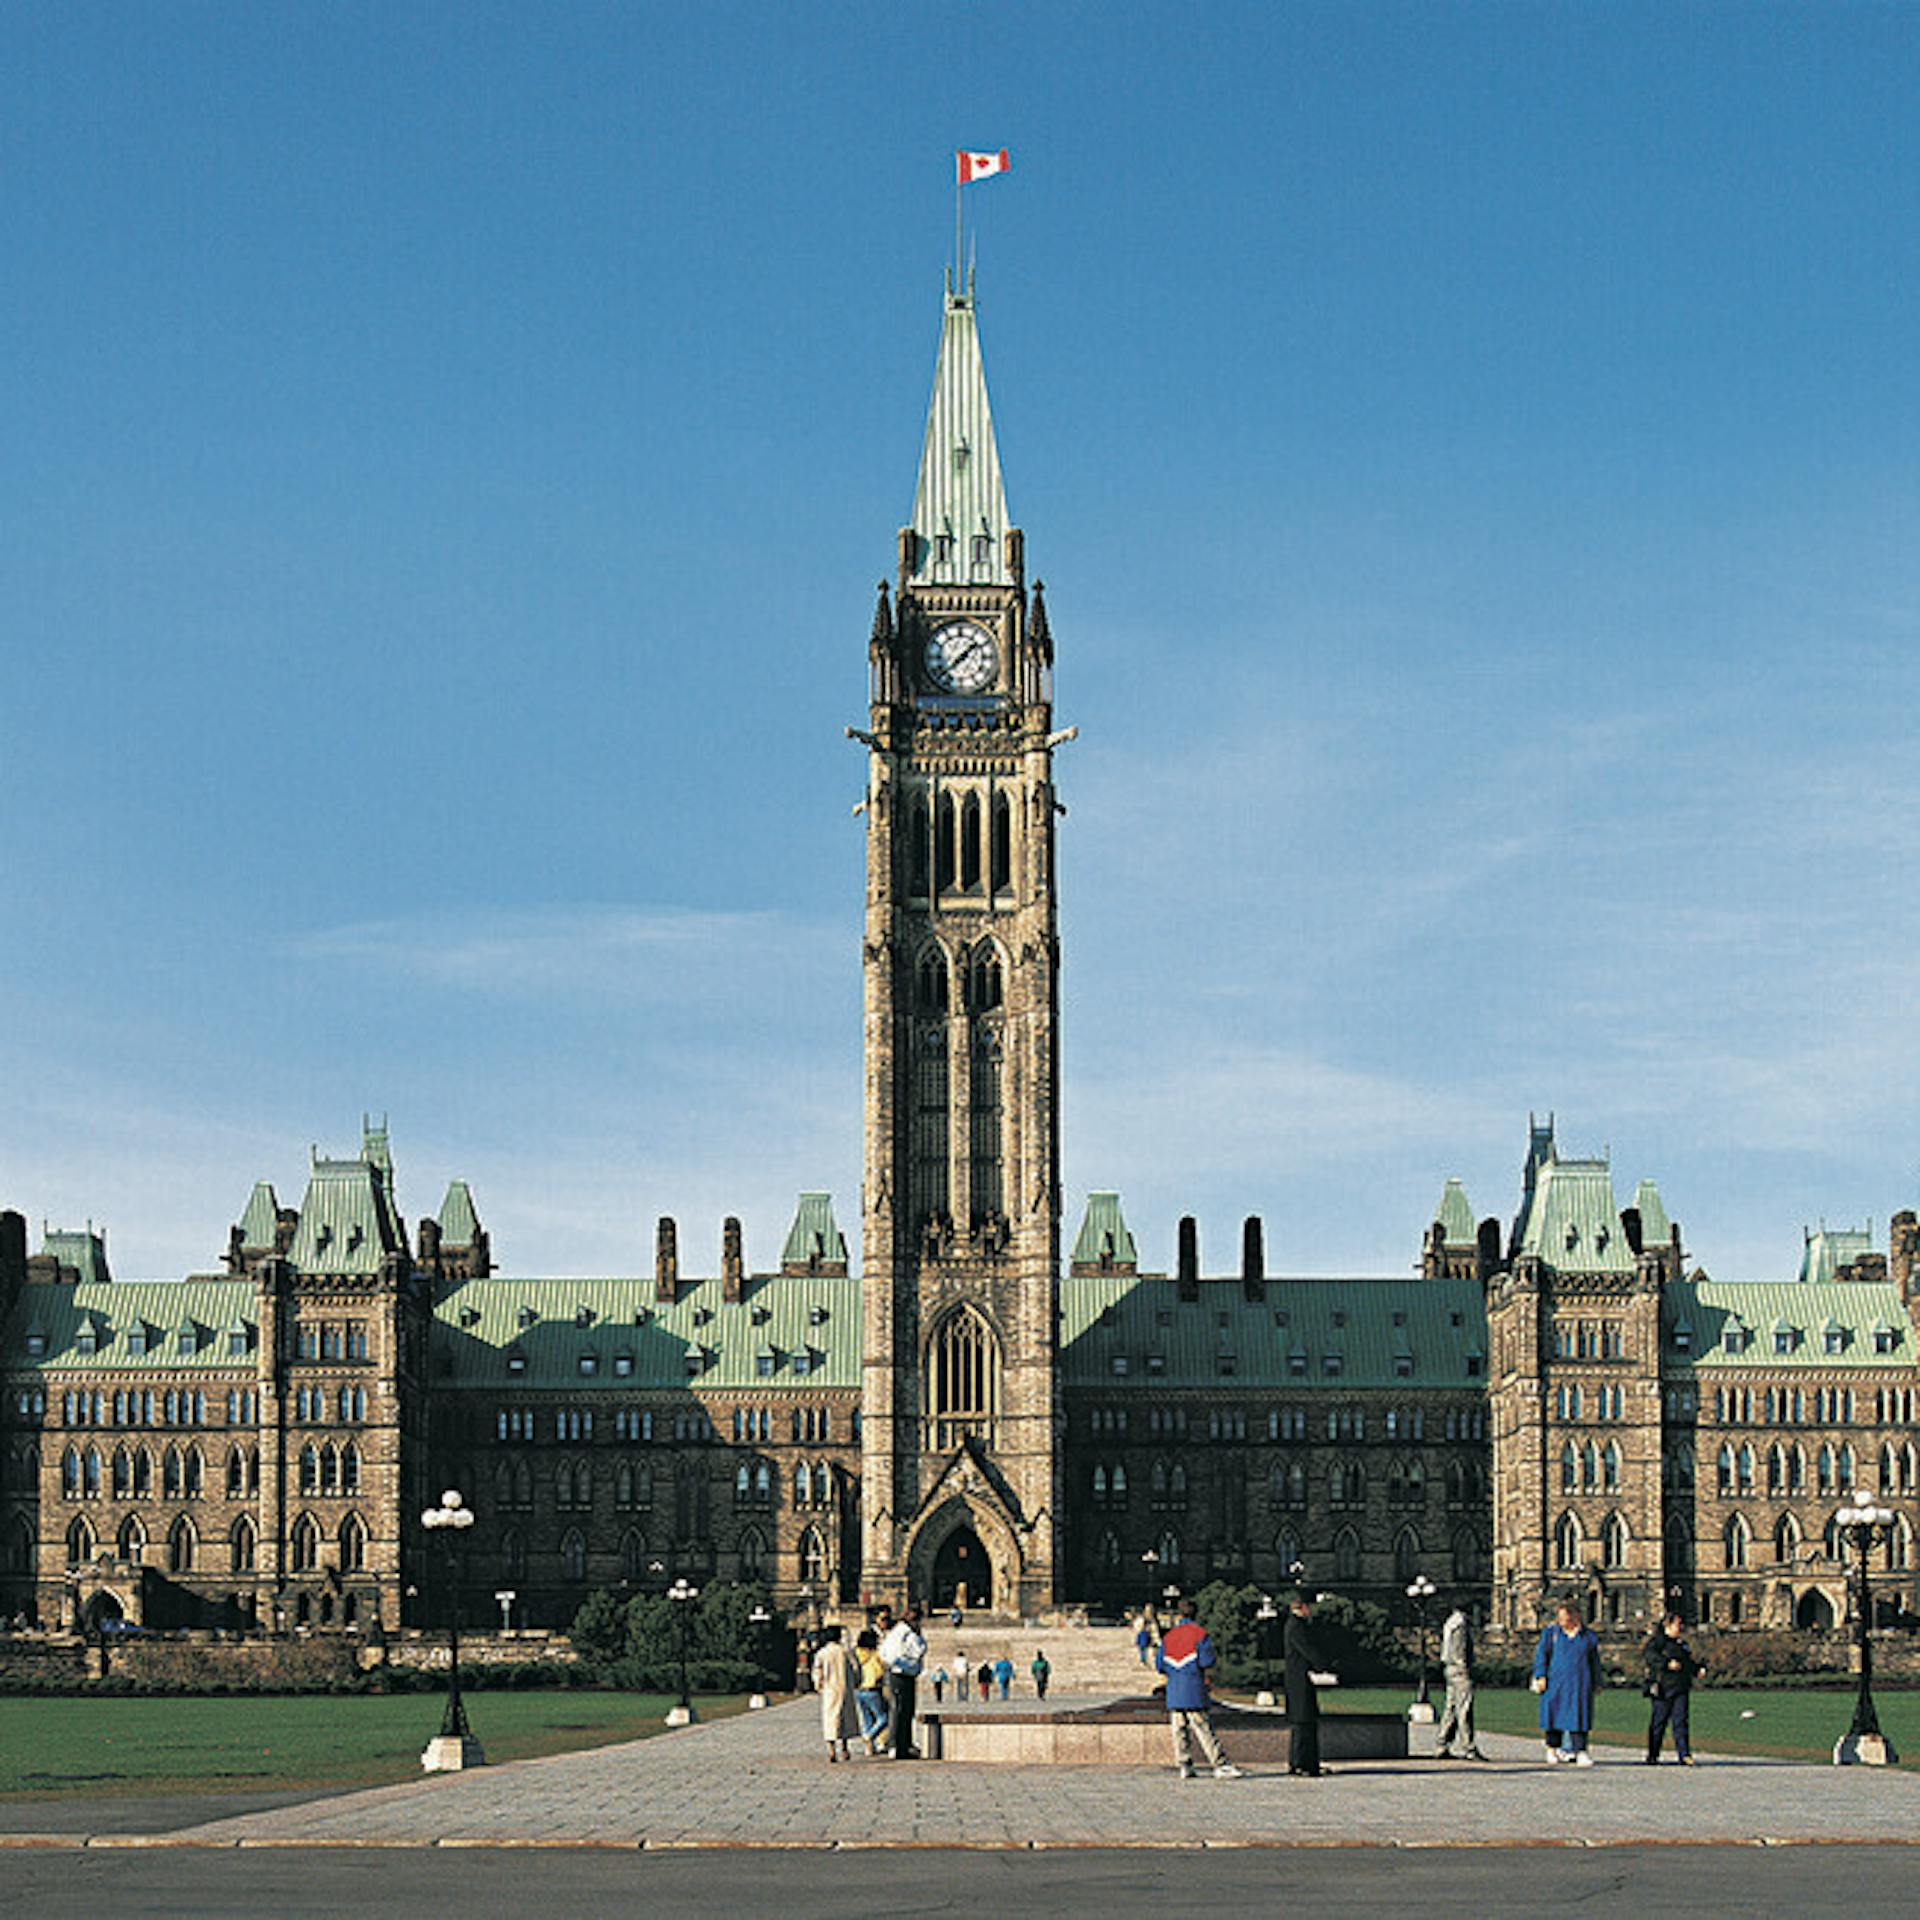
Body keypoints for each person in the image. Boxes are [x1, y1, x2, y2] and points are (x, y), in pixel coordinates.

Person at [1154, 1596, 1244, 1780]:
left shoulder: (1169, 1636)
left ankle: (1184, 1765)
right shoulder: (1199, 1633)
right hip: (1193, 1685)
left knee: (1179, 1729)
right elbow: (1206, 1660)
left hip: (1174, 1688)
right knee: (1203, 1728)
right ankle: (1220, 1764)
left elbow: (1159, 1664)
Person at [1532, 1600, 1603, 1766]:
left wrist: (1597, 1681)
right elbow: (1542, 1655)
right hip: (1556, 1682)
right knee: (1553, 1714)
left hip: (1579, 1682)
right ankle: (1552, 1748)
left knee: (1579, 1716)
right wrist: (1540, 1675)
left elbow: (1595, 1661)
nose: (1561, 1620)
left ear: (1575, 1616)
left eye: (1564, 1617)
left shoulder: (1588, 1636)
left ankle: (1580, 1750)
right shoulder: (1551, 1634)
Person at [1643, 1611, 1705, 1766]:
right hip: (1662, 1688)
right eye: (1677, 1625)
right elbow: (1650, 1656)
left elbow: (1687, 1662)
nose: (1680, 1628)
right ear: (1667, 1626)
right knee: (1658, 1723)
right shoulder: (1657, 1642)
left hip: (1680, 1687)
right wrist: (1666, 1663)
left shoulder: (1681, 1644)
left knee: (1681, 1722)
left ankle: (1684, 1754)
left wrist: (1696, 1669)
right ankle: (1653, 1754)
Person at [1283, 1591, 1331, 1778]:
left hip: (1302, 1679)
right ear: (1302, 1607)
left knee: (1307, 1722)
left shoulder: (1297, 1625)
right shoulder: (1296, 1626)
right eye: (1309, 1607)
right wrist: (1324, 1666)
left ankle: (1309, 1763)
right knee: (1302, 1723)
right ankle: (1300, 1763)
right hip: (1299, 1680)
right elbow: (1307, 1650)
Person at [1434, 1603, 1488, 1762]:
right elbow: (1459, 1648)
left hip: (1450, 1668)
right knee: (1464, 1708)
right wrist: (1463, 1666)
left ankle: (1441, 1744)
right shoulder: (1460, 1624)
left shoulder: (1450, 1622)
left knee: (1450, 1708)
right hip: (1459, 1669)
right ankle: (1468, 1747)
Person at [879, 1604, 927, 1759]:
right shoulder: (904, 1633)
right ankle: (895, 1745)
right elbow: (918, 1650)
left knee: (905, 1710)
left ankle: (904, 1744)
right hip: (901, 1675)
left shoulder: (900, 1632)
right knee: (900, 1710)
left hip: (903, 1674)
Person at [810, 1625, 860, 1763]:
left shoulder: (822, 1653)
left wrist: (818, 1685)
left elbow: (817, 1671)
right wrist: (856, 1681)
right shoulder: (846, 1651)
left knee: (830, 1719)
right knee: (845, 1718)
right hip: (845, 1688)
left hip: (829, 1689)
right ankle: (844, 1748)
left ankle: (831, 1750)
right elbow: (856, 1668)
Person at [853, 1626, 889, 1756]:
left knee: (868, 1719)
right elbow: (880, 1671)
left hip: (858, 1690)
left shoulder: (856, 1654)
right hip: (872, 1690)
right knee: (884, 1718)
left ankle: (869, 1748)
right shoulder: (875, 1655)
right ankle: (870, 1736)